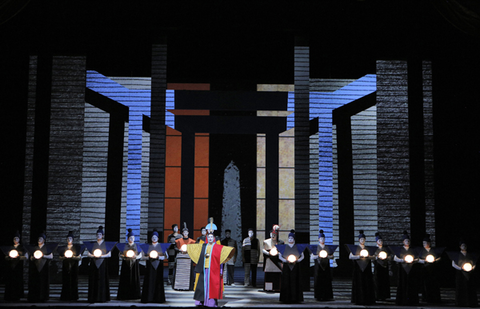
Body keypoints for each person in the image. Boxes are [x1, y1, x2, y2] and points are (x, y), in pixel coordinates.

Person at [187, 231, 235, 307]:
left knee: (211, 286)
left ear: (214, 238)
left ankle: (210, 302)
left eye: (211, 237)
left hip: (213, 269)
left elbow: (223, 251)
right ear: (207, 238)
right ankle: (201, 301)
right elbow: (195, 249)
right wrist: (187, 247)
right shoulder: (204, 246)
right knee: (202, 285)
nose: (210, 238)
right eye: (208, 237)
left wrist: (231, 250)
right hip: (204, 268)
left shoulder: (216, 247)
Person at [85, 226, 114, 303]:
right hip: (93, 263)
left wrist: (101, 256)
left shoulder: (105, 244)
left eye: (100, 235)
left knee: (102, 279)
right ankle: (93, 297)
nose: (98, 236)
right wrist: (94, 255)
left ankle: (102, 297)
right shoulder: (93, 244)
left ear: (103, 236)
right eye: (97, 234)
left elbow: (109, 254)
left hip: (102, 263)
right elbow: (88, 254)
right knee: (93, 279)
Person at [348, 230, 375, 305]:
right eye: (361, 239)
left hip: (366, 267)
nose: (362, 240)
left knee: (367, 282)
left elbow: (374, 257)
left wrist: (368, 256)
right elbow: (350, 256)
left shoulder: (368, 248)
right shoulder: (355, 248)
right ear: (359, 240)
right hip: (358, 268)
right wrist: (358, 256)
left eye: (363, 239)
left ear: (365, 240)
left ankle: (368, 299)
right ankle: (358, 299)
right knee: (359, 282)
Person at [141, 229, 169, 303]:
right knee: (149, 281)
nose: (154, 238)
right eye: (153, 237)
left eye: (155, 237)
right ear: (151, 238)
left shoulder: (161, 246)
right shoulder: (147, 246)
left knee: (158, 282)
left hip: (158, 266)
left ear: (158, 238)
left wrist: (159, 257)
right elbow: (142, 257)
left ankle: (158, 298)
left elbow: (166, 256)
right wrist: (149, 257)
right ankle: (148, 298)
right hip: (150, 266)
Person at [393, 231, 420, 306]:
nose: (407, 242)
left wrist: (413, 260)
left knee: (411, 283)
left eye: (408, 241)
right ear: (403, 241)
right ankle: (402, 300)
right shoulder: (400, 249)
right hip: (402, 269)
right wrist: (403, 260)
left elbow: (417, 258)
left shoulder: (413, 250)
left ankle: (412, 300)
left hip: (411, 269)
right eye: (406, 241)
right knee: (402, 283)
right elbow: (395, 258)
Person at [278, 230, 305, 303]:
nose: (290, 240)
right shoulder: (284, 247)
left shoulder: (297, 247)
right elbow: (279, 256)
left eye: (292, 238)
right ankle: (286, 298)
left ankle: (295, 298)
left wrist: (298, 260)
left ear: (294, 239)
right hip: (287, 266)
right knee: (286, 281)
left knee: (295, 281)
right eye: (289, 238)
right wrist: (284, 260)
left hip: (295, 266)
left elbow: (302, 256)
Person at [27, 231, 54, 302]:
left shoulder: (47, 247)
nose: (39, 240)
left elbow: (51, 256)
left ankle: (43, 297)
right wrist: (33, 257)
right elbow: (31, 257)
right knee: (35, 281)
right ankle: (34, 296)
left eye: (41, 239)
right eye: (39, 239)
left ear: (44, 240)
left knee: (43, 281)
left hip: (44, 266)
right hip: (35, 267)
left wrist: (43, 255)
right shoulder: (34, 247)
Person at [450, 239, 478, 307]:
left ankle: (470, 302)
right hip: (460, 273)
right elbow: (453, 264)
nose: (464, 247)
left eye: (465, 246)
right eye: (462, 245)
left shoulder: (470, 255)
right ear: (460, 247)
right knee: (460, 287)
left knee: (469, 287)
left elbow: (474, 263)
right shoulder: (457, 255)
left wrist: (471, 268)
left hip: (469, 273)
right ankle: (460, 303)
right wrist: (461, 268)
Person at [117, 228, 142, 300]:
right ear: (128, 239)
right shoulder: (124, 246)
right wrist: (124, 256)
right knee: (125, 278)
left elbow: (140, 255)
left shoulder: (137, 246)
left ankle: (135, 294)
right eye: (130, 238)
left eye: (133, 238)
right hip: (126, 263)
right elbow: (119, 254)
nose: (131, 239)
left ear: (134, 238)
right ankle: (124, 295)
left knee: (135, 278)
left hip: (134, 264)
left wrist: (136, 257)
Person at [310, 229, 335, 301]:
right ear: (318, 239)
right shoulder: (315, 248)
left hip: (326, 266)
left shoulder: (328, 247)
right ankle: (318, 296)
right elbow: (312, 257)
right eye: (321, 238)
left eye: (323, 238)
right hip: (318, 266)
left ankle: (327, 296)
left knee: (326, 280)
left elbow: (332, 256)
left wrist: (327, 256)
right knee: (318, 280)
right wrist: (318, 256)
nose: (322, 239)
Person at [2, 230, 27, 301]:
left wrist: (18, 257)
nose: (15, 240)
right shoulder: (10, 247)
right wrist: (9, 257)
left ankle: (17, 296)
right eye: (14, 239)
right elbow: (5, 257)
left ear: (19, 239)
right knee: (10, 281)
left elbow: (26, 257)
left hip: (18, 266)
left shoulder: (22, 248)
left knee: (17, 280)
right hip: (10, 267)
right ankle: (9, 296)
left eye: (17, 238)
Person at [58, 231, 82, 301]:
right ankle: (65, 296)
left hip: (74, 266)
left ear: (73, 240)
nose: (69, 240)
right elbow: (60, 257)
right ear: (66, 239)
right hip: (65, 265)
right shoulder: (63, 248)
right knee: (65, 280)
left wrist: (73, 256)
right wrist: (65, 257)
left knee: (74, 281)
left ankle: (74, 296)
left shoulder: (76, 248)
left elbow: (79, 257)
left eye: (70, 238)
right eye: (68, 238)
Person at [418, 233, 442, 304]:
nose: (424, 244)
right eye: (423, 243)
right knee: (425, 283)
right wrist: (424, 261)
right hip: (425, 269)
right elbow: (418, 259)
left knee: (434, 283)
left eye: (426, 243)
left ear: (429, 243)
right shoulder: (421, 251)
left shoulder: (434, 250)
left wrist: (435, 260)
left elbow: (439, 257)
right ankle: (425, 297)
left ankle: (434, 298)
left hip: (433, 269)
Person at [173, 223, 196, 290]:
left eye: (186, 232)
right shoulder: (178, 241)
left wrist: (189, 250)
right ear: (182, 233)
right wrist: (179, 249)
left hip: (188, 257)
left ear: (188, 233)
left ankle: (188, 286)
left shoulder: (192, 241)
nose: (185, 233)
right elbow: (175, 248)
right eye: (184, 232)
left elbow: (193, 248)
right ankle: (179, 286)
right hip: (180, 257)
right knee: (179, 273)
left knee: (188, 273)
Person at [262, 224, 284, 291]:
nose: (273, 236)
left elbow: (282, 251)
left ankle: (277, 287)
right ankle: (268, 288)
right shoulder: (266, 241)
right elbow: (263, 250)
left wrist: (278, 253)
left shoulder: (280, 242)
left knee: (277, 275)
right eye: (272, 234)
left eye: (274, 235)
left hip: (277, 259)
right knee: (269, 275)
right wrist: (268, 253)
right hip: (269, 260)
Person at [373, 232, 391, 301]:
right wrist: (377, 257)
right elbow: (373, 257)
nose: (381, 242)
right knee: (377, 281)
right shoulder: (375, 249)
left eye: (381, 241)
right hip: (378, 266)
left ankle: (384, 296)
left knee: (384, 281)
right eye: (379, 241)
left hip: (384, 266)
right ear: (377, 241)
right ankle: (377, 295)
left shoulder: (385, 249)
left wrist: (387, 258)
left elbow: (390, 257)